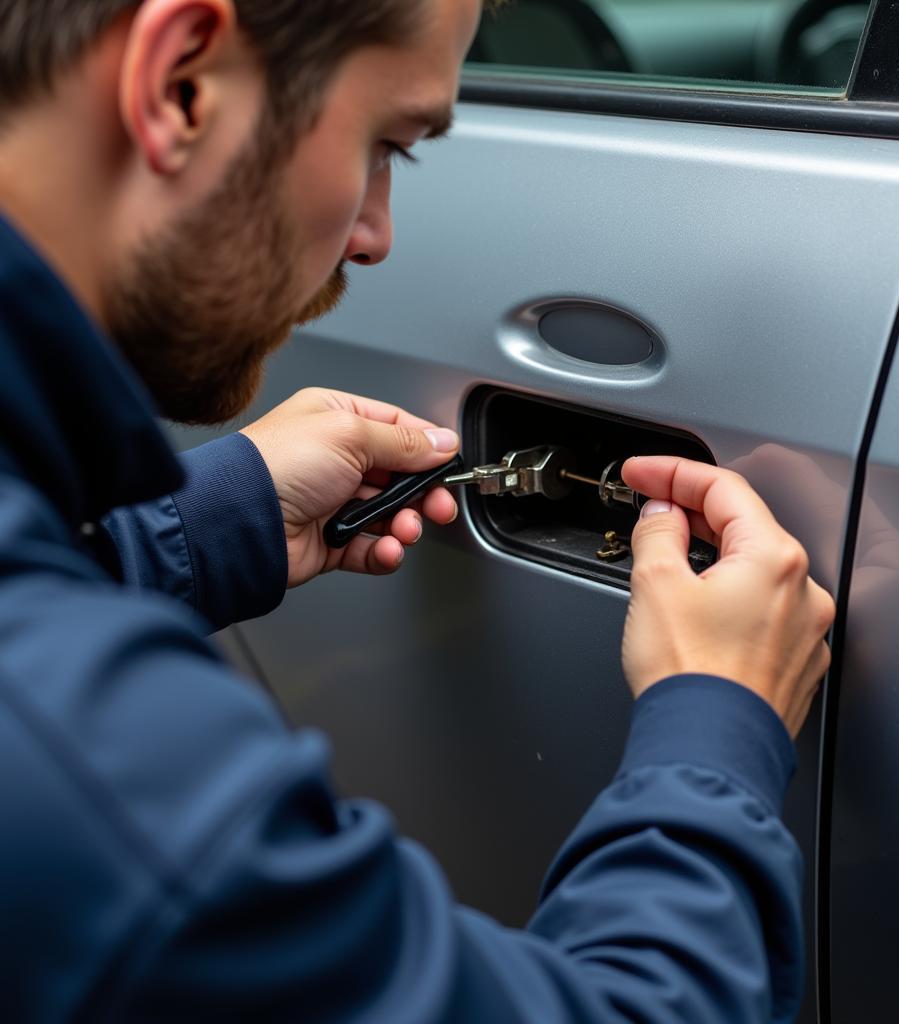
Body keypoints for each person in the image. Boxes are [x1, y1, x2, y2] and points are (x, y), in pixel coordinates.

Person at [0, 0, 836, 1020]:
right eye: (385, 143)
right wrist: (721, 719)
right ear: (182, 83)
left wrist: (206, 521)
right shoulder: (98, 778)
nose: (375, 235)